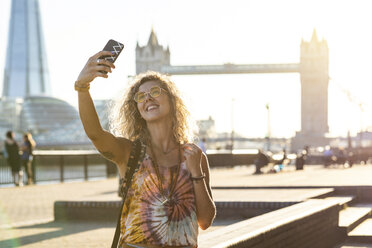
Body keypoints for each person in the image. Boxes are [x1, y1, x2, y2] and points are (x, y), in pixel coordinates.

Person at [75, 51, 216, 248]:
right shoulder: (129, 152)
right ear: (137, 109)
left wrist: (196, 173)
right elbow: (96, 134)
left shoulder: (194, 156)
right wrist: (82, 87)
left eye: (156, 92)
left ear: (172, 101)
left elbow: (205, 221)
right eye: (141, 96)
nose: (148, 98)